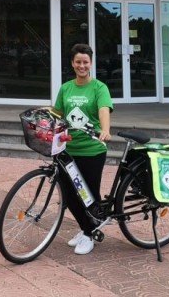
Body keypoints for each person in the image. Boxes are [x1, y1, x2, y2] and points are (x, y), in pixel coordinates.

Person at [52, 43, 113, 255]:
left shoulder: (99, 88)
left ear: (91, 63)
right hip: (68, 149)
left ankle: (89, 234)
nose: (82, 65)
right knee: (69, 195)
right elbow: (58, 113)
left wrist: (105, 130)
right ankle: (86, 228)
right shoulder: (66, 88)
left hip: (92, 150)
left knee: (89, 195)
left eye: (85, 62)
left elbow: (104, 110)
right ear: (72, 63)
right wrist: (46, 116)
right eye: (78, 62)